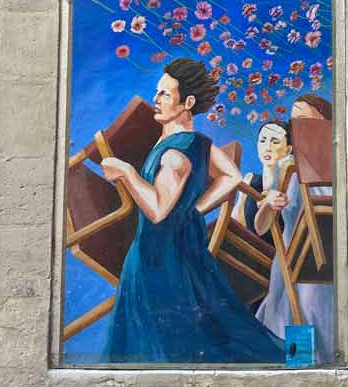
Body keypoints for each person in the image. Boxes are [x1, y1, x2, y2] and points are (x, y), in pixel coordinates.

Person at [100, 58, 284, 363]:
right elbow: (233, 177)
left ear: (187, 102)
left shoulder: (175, 155)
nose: (155, 99)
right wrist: (196, 210)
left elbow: (158, 211)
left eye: (164, 94)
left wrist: (127, 174)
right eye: (157, 92)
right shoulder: (198, 142)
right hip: (187, 250)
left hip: (157, 259)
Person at [244, 118, 336, 364]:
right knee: (293, 310)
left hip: (319, 247)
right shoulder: (283, 173)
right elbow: (261, 225)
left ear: (289, 147)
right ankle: (301, 364)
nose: (268, 146)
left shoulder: (310, 170)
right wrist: (268, 203)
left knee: (315, 308)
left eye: (275, 141)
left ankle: (315, 364)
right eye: (263, 140)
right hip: (291, 253)